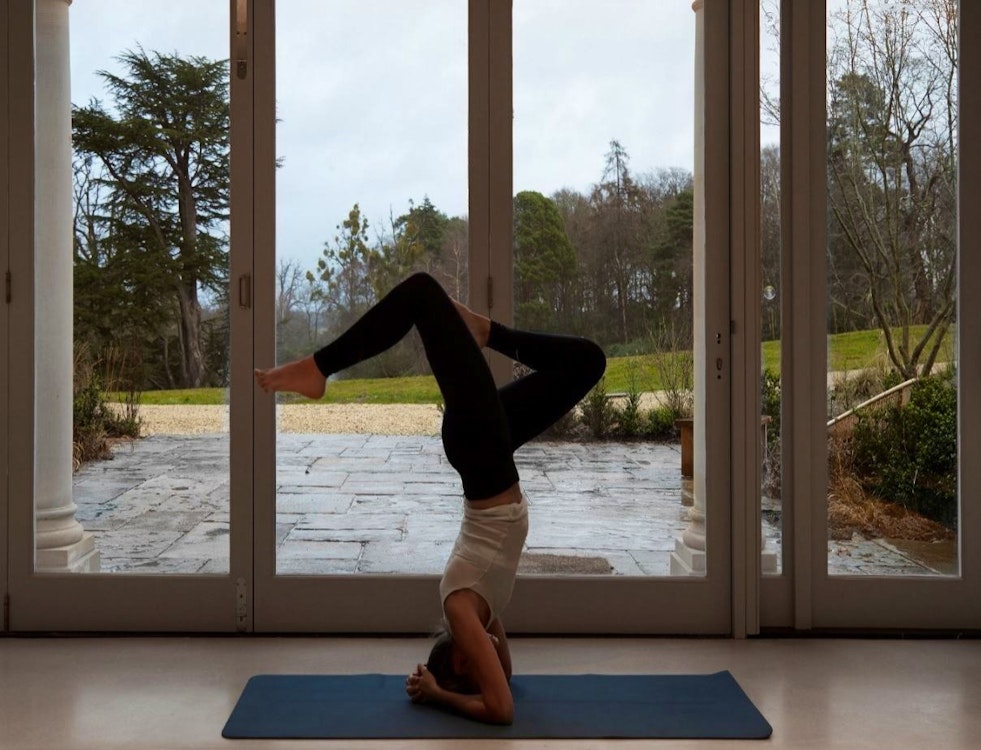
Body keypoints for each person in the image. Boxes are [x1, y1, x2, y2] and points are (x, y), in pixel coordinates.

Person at [254, 272, 605, 724]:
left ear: (463, 661)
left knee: (421, 292)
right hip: (488, 453)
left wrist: (439, 694)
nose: (495, 654)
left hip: (483, 455)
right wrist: (469, 673)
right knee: (588, 362)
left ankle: (319, 369)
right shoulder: (482, 611)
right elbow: (507, 675)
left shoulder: (461, 608)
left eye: (481, 659)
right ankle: (489, 333)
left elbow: (501, 710)